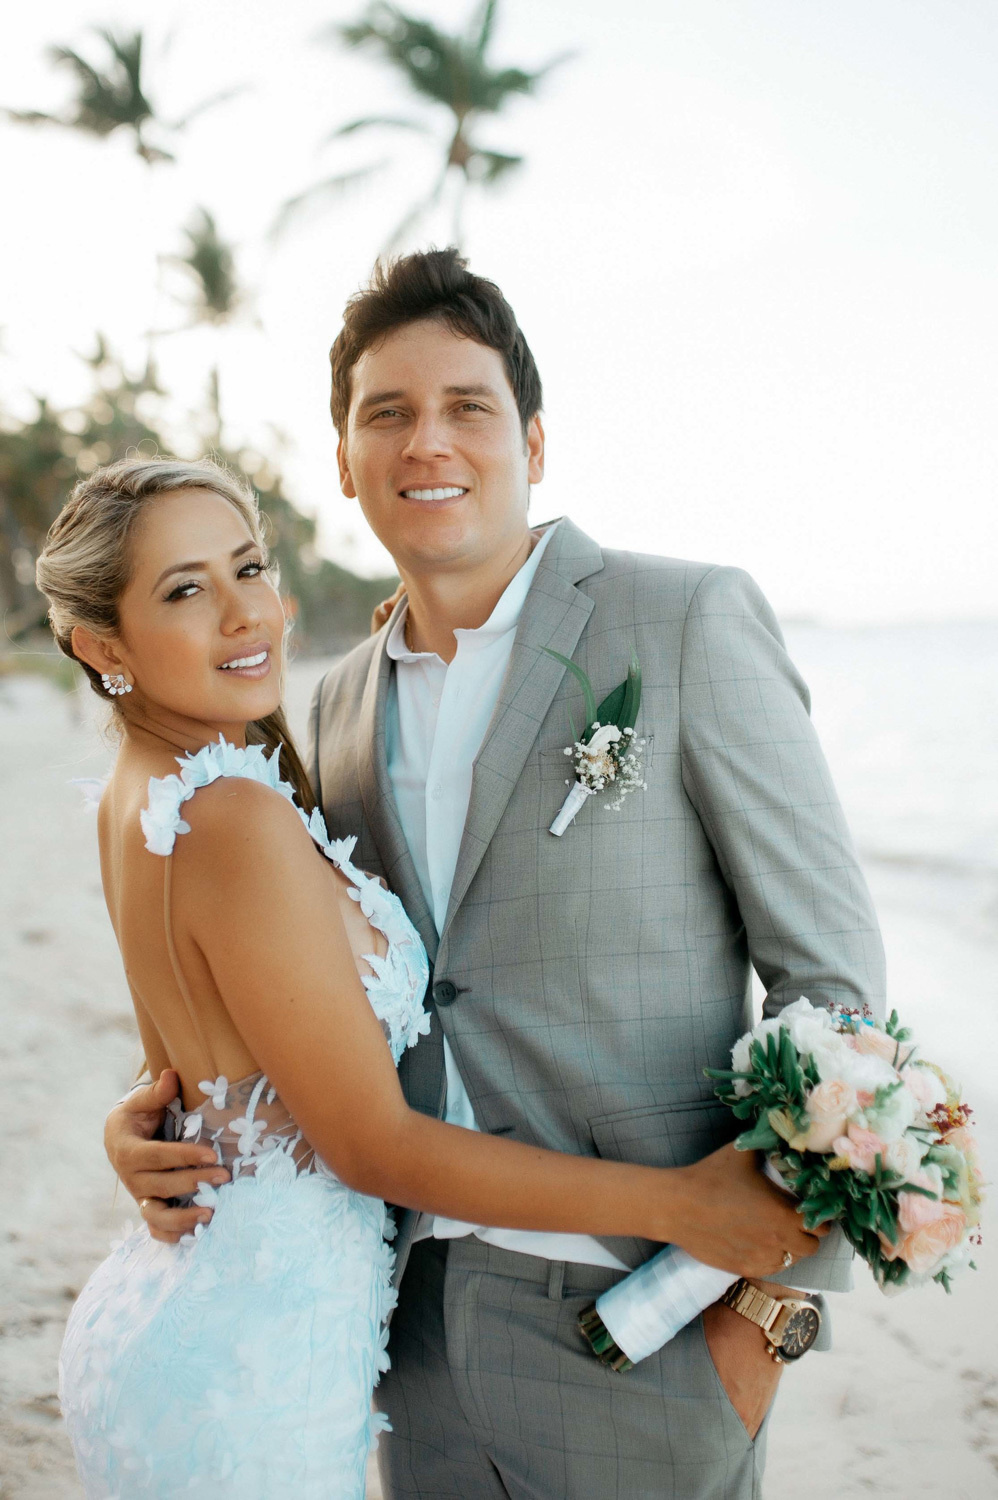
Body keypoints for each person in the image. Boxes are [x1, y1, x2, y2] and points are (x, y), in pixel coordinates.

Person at [104, 248, 884, 1499]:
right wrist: (151, 1126)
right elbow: (303, 986)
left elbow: (833, 997)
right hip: (405, 1344)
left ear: (530, 437)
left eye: (465, 406)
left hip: (650, 1335)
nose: (429, 443)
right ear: (346, 462)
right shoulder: (336, 708)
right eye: (386, 414)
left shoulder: (682, 623)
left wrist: (760, 1326)